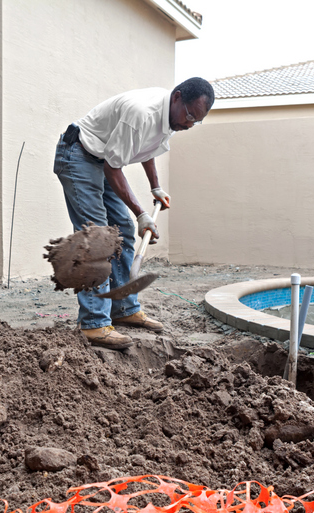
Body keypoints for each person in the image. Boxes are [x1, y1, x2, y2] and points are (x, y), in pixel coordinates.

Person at [53, 77, 214, 350]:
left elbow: (145, 148)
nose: (188, 124)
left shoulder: (171, 117)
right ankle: (94, 324)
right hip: (79, 155)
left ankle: (124, 308)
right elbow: (114, 169)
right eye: (189, 116)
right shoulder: (141, 113)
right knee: (97, 238)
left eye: (195, 121)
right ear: (177, 97)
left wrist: (156, 187)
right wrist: (141, 213)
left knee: (124, 231)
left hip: (101, 159)